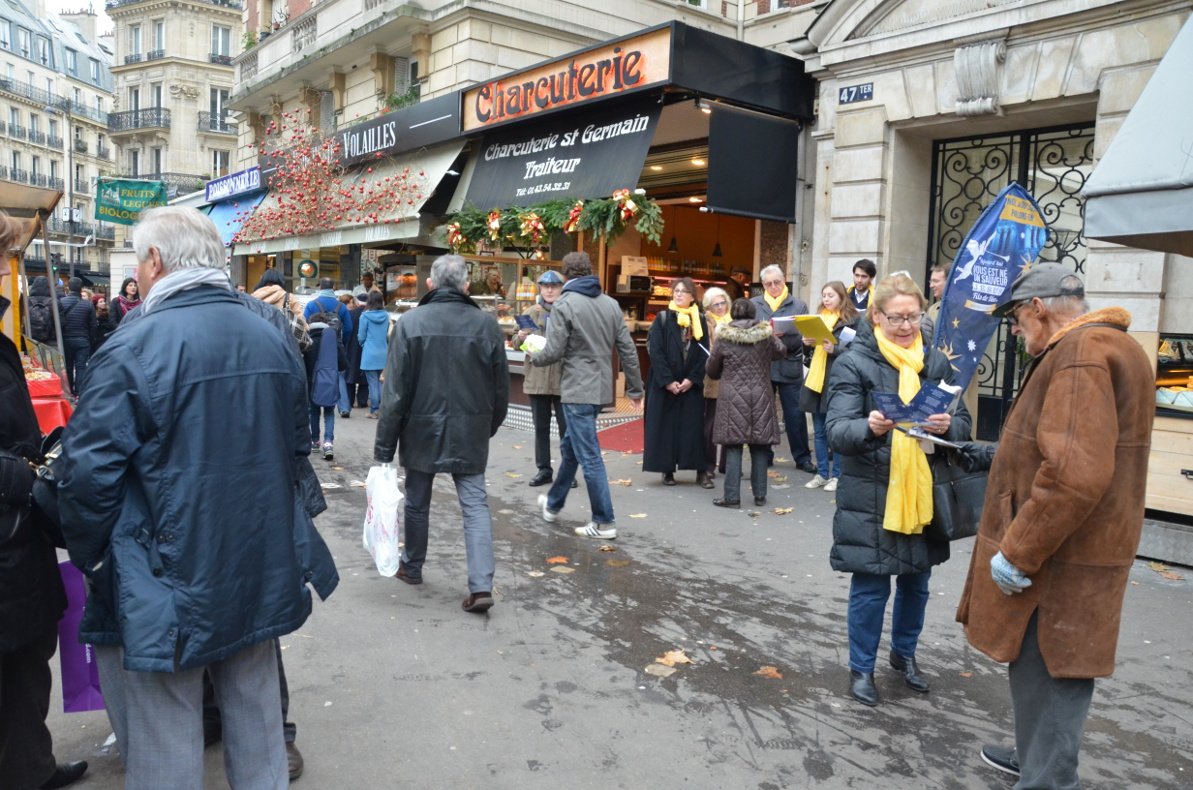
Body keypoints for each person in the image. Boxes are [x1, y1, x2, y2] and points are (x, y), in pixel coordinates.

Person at [56, 206, 336, 789]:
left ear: (155, 262)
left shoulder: (133, 345)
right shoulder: (271, 331)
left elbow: (86, 478)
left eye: (139, 259)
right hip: (255, 559)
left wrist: (100, 560)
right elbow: (295, 445)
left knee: (166, 734)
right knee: (256, 715)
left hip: (165, 571)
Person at [955, 263, 1153, 787]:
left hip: (1060, 557)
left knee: (1053, 666)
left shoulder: (1080, 353)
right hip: (1080, 549)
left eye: (1017, 321)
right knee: (1045, 666)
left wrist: (1018, 551)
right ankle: (1036, 756)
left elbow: (1072, 473)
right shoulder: (1111, 346)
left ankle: (1047, 776)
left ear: (1037, 309)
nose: (1017, 333)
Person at [826, 273, 971, 707]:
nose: (907, 326)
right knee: (871, 588)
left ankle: (904, 655)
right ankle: (861, 668)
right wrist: (868, 426)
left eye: (914, 317)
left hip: (922, 492)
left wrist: (950, 425)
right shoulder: (853, 362)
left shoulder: (936, 363)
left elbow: (962, 423)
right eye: (897, 318)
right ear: (876, 316)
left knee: (916, 584)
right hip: (872, 492)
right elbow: (836, 429)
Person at [0, 210, 89, 790]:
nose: (8, 270)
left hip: (12, 541)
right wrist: (24, 475)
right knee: (16, 667)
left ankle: (30, 766)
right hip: (6, 540)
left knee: (22, 672)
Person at [374, 254, 509, 612]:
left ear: (430, 285)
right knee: (475, 505)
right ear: (466, 286)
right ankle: (481, 585)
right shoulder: (488, 325)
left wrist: (384, 449)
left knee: (418, 501)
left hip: (420, 427)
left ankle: (413, 566)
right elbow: (500, 390)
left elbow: (395, 393)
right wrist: (487, 426)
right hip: (471, 427)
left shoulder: (410, 323)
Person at [528, 251, 644, 540]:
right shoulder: (610, 304)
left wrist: (533, 355)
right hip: (601, 388)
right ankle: (553, 504)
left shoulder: (564, 305)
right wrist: (635, 388)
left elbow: (553, 351)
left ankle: (604, 521)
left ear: (566, 276)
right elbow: (627, 350)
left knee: (588, 456)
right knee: (572, 450)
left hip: (577, 388)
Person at [705, 298, 785, 508]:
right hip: (761, 393)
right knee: (759, 445)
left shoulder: (724, 336)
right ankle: (760, 496)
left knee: (733, 446)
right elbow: (781, 351)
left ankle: (731, 497)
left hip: (732, 396)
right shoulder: (765, 334)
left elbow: (712, 370)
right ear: (753, 313)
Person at [643, 277, 710, 487]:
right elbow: (656, 352)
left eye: (684, 291)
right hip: (665, 385)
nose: (679, 294)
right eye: (676, 291)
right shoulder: (663, 318)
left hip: (690, 384)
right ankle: (667, 470)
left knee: (694, 428)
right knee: (666, 427)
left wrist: (692, 379)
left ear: (692, 297)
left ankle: (701, 471)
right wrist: (668, 381)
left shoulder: (699, 319)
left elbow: (704, 352)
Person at [751, 265, 815, 473]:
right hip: (763, 365)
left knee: (795, 415)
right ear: (763, 285)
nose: (773, 287)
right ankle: (764, 455)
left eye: (777, 282)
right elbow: (747, 334)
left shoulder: (798, 305)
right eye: (768, 284)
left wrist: (783, 336)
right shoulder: (754, 304)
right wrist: (765, 333)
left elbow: (804, 338)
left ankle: (802, 457)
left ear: (784, 281)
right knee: (763, 413)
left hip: (789, 363)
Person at [800, 281, 860, 492]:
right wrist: (806, 344)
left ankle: (838, 475)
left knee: (835, 431)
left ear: (842, 297)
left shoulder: (853, 321)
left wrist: (835, 349)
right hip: (816, 379)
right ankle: (822, 473)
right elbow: (807, 356)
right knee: (818, 431)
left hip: (836, 381)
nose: (826, 299)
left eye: (830, 295)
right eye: (824, 295)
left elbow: (858, 351)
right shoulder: (818, 319)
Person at [513, 270, 570, 488]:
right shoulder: (530, 312)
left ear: (561, 288)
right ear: (540, 288)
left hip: (563, 379)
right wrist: (519, 337)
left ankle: (567, 471)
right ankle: (543, 470)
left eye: (554, 286)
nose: (549, 290)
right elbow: (516, 344)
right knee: (541, 428)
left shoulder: (568, 312)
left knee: (567, 430)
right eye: (545, 286)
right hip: (537, 379)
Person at [700, 287, 733, 486]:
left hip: (732, 378)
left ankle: (727, 464)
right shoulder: (706, 322)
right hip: (713, 378)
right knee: (711, 425)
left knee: (730, 423)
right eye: (716, 304)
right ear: (708, 307)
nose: (720, 307)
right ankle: (708, 465)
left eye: (723, 303)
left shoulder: (734, 320)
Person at [56, 278, 96, 396]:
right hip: (83, 340)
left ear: (68, 287)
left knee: (68, 366)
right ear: (81, 288)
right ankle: (79, 392)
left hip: (66, 340)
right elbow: (93, 326)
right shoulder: (88, 305)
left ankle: (69, 392)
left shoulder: (61, 302)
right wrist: (90, 340)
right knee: (81, 366)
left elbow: (58, 323)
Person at [355, 290, 389, 418]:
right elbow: (387, 335)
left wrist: (364, 345)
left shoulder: (365, 316)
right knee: (381, 382)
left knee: (373, 383)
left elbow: (361, 336)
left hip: (370, 352)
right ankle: (382, 409)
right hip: (383, 351)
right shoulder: (386, 315)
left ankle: (374, 410)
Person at [302, 277, 353, 344]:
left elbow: (303, 325)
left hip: (314, 345)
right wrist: (341, 342)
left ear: (320, 287)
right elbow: (348, 328)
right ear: (333, 287)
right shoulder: (342, 307)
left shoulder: (311, 305)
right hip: (335, 346)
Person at [347, 292, 369, 409]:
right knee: (365, 375)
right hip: (366, 347)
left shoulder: (350, 314)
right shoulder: (370, 314)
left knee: (350, 375)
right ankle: (362, 400)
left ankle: (349, 401)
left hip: (351, 347)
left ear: (356, 302)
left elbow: (345, 330)